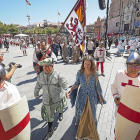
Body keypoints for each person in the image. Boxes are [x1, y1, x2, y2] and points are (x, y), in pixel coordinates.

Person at [66, 55, 106, 140]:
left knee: (92, 112)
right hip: (82, 96)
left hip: (92, 96)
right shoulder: (79, 73)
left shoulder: (95, 73)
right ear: (83, 63)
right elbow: (77, 84)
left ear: (92, 64)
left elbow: (97, 86)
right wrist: (71, 89)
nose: (87, 65)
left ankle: (91, 131)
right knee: (82, 111)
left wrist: (100, 96)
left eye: (88, 64)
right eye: (85, 63)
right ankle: (82, 130)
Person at [34, 58, 68, 140]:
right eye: (44, 67)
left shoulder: (57, 74)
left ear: (52, 66)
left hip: (58, 98)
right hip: (47, 100)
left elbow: (64, 83)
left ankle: (60, 113)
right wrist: (36, 93)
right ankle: (50, 129)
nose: (46, 68)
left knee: (60, 108)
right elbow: (38, 85)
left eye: (48, 66)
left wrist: (67, 90)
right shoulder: (41, 76)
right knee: (49, 115)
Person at [111, 52, 140, 116]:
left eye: (137, 66)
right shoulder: (120, 74)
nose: (133, 68)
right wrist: (116, 97)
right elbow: (114, 87)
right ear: (126, 65)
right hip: (120, 109)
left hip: (136, 112)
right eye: (131, 65)